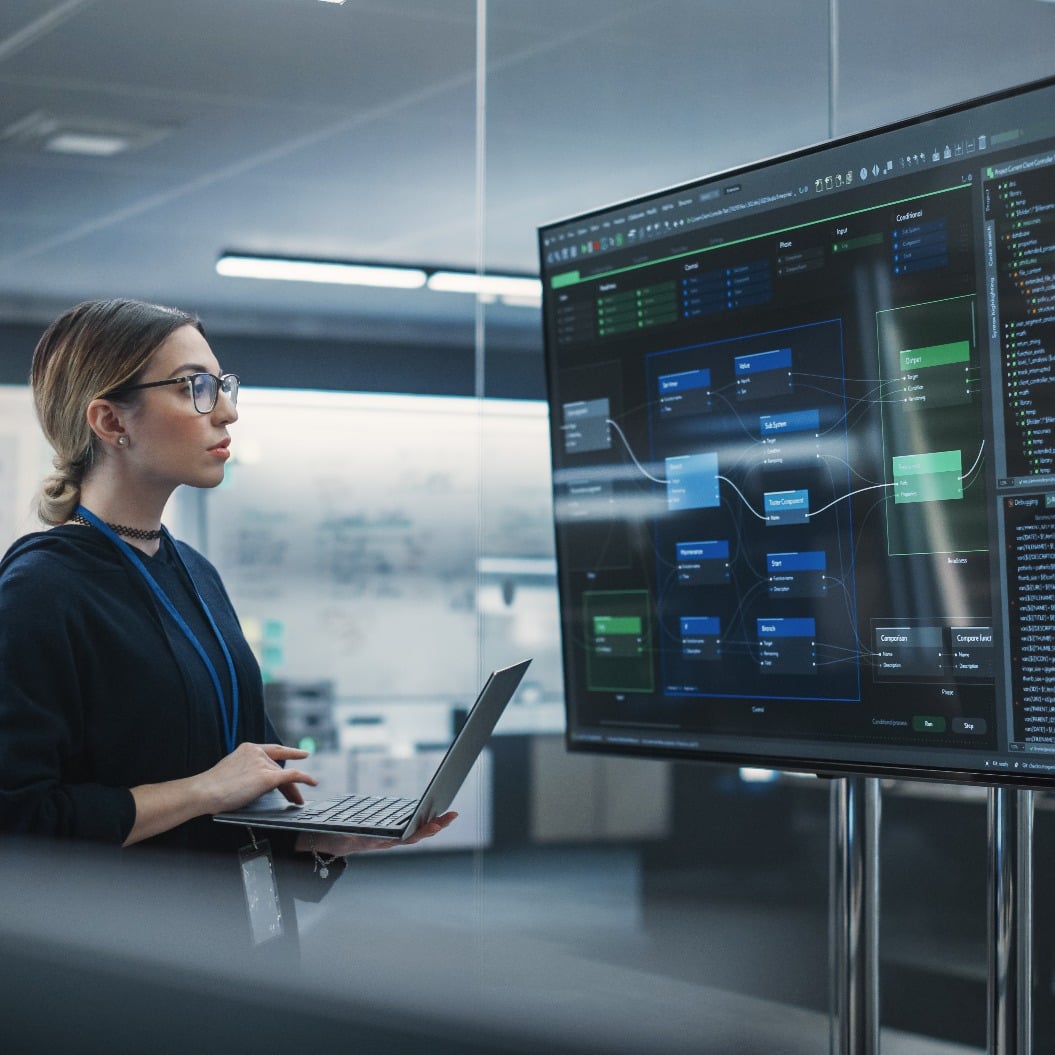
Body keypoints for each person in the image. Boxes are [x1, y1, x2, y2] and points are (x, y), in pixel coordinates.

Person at [0, 299, 454, 929]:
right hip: (128, 971)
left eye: (224, 385)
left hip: (239, 939)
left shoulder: (194, 572)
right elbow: (19, 822)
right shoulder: (40, 588)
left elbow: (238, 795)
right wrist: (207, 789)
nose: (229, 411)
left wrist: (319, 838)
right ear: (110, 420)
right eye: (196, 388)